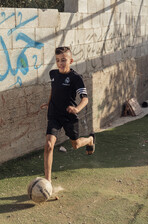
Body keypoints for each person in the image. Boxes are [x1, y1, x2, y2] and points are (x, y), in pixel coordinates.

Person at [40, 46, 95, 182]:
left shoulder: (76, 78)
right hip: (54, 114)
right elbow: (53, 90)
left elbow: (85, 98)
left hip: (69, 116)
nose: (60, 63)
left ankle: (89, 140)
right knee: (48, 145)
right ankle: (48, 181)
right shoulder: (53, 74)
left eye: (63, 60)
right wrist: (49, 103)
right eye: (58, 60)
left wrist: (77, 109)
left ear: (71, 60)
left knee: (75, 145)